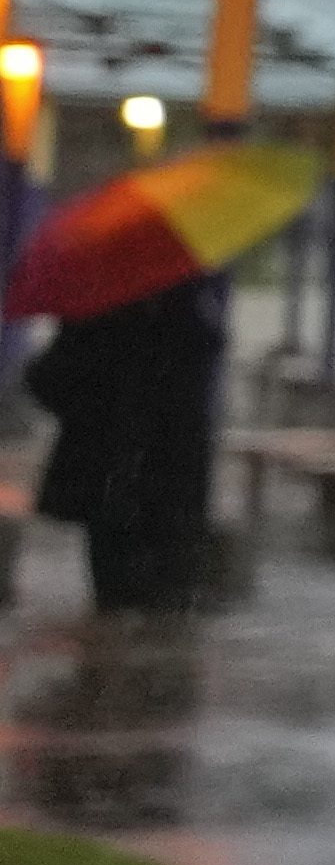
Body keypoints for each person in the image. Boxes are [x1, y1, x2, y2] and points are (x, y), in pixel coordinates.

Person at [23, 257, 228, 613]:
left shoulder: (94, 305)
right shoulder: (187, 306)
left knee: (114, 592)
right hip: (169, 474)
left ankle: (112, 654)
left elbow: (49, 380)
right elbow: (206, 356)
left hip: (109, 472)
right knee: (167, 597)